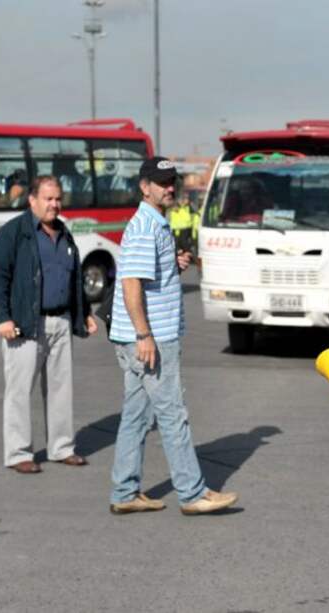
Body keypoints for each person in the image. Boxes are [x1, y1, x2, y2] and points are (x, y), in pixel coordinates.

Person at [107, 157, 238, 515]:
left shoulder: (155, 224)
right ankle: (192, 493)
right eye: (162, 182)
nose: (169, 188)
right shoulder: (144, 227)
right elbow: (131, 284)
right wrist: (144, 335)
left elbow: (148, 278)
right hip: (151, 339)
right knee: (172, 413)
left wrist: (172, 266)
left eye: (172, 182)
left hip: (143, 337)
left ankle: (124, 491)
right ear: (143, 186)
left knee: (136, 416)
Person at [0, 175, 99, 474]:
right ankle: (19, 453)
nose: (54, 204)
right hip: (25, 323)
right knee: (20, 390)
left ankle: (61, 448)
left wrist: (84, 312)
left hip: (61, 321)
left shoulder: (64, 234)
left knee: (62, 389)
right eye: (48, 199)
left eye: (58, 198)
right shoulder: (15, 233)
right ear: (32, 200)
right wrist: (2, 317)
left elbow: (72, 277)